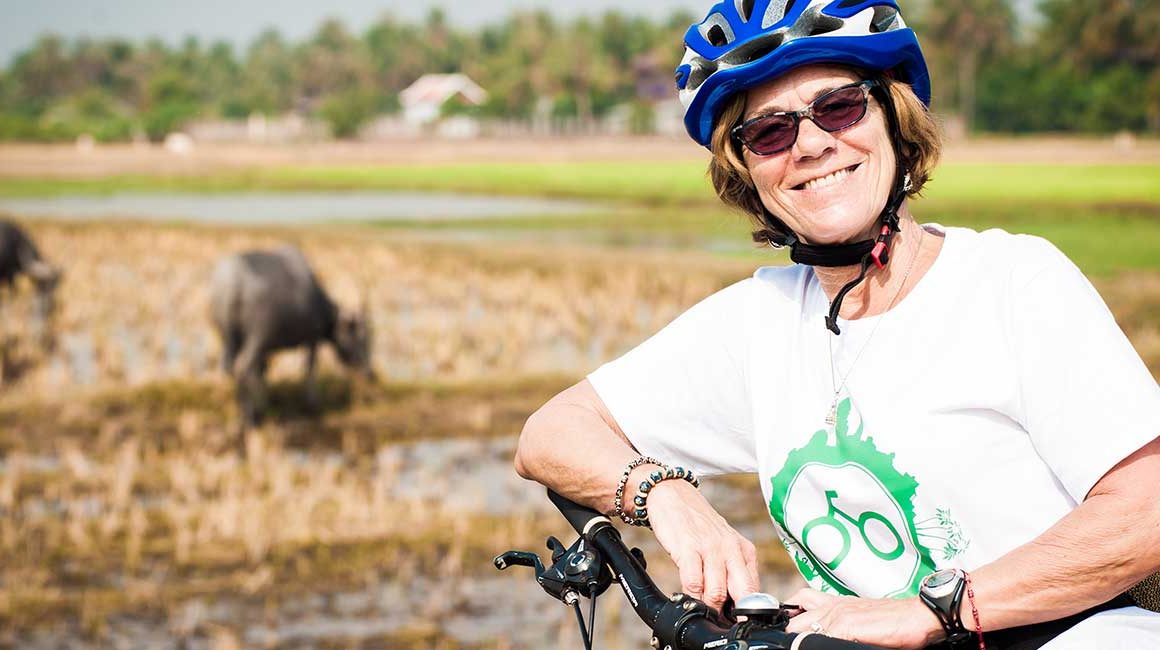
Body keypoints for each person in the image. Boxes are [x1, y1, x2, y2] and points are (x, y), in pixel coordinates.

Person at [514, 1, 1160, 648]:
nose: (812, 143)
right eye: (769, 132)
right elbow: (551, 434)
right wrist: (666, 495)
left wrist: (930, 612)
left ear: (894, 120)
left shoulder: (1011, 282)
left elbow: (1146, 511)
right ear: (747, 173)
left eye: (840, 106)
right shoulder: (758, 323)